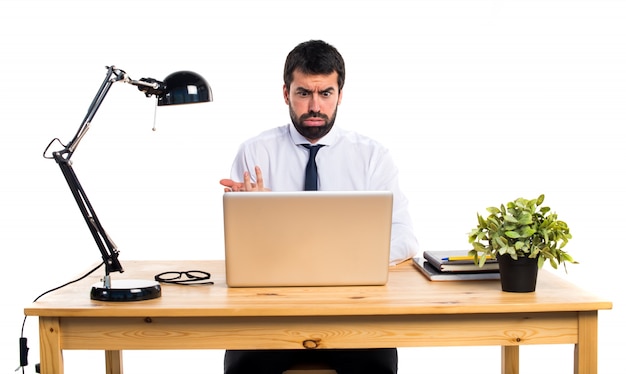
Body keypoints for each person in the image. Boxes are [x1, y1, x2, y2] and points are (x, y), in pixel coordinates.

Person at [219, 40, 419, 374]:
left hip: (354, 313)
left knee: (377, 367)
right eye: (303, 93)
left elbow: (405, 237)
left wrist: (342, 257)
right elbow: (242, 251)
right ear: (286, 94)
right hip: (270, 314)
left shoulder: (372, 156)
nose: (315, 106)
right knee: (244, 368)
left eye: (325, 93)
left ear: (340, 94)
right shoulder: (255, 154)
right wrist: (259, 218)